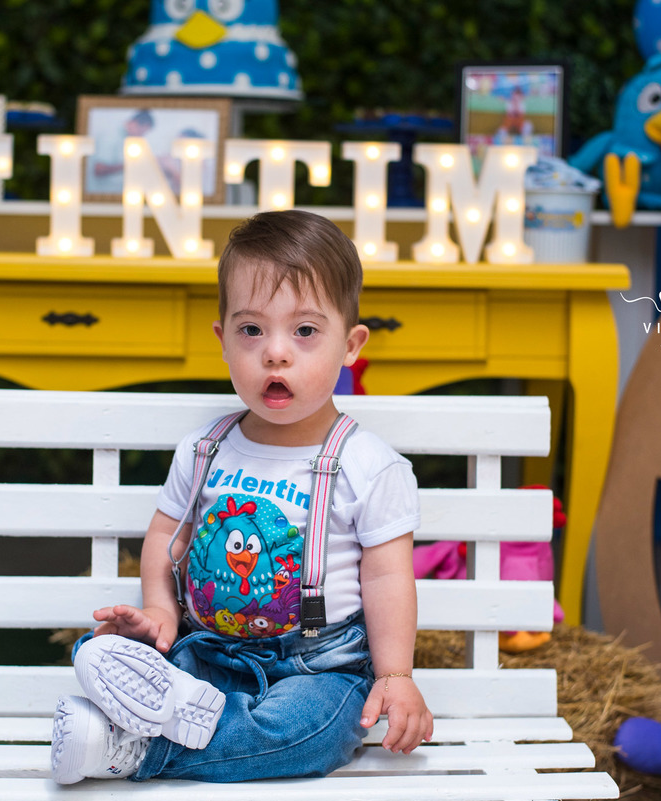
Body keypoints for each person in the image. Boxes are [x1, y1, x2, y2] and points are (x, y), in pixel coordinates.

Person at [50, 209, 433, 784]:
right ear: (223, 341)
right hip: (208, 650)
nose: (275, 353)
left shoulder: (369, 466)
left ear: (350, 346)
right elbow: (166, 535)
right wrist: (160, 612)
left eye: (305, 331)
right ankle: (174, 716)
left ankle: (137, 748)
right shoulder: (205, 450)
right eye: (251, 330)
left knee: (312, 731)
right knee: (96, 647)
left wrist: (395, 675)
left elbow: (386, 577)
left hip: (317, 667)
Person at [90, 109, 154, 194]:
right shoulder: (111, 136)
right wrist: (132, 164)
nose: (141, 136)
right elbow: (99, 169)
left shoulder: (127, 139)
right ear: (133, 123)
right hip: (103, 195)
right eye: (142, 132)